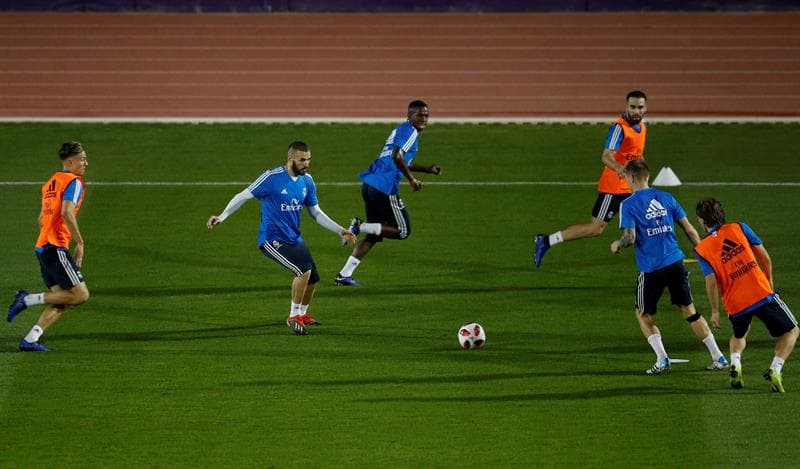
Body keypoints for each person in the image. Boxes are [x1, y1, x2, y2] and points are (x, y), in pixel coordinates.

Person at [207, 141, 356, 335]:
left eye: (309, 159)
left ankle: (303, 314)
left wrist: (339, 230)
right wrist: (222, 216)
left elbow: (316, 212)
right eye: (302, 160)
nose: (306, 163)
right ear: (290, 159)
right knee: (303, 271)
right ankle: (293, 316)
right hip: (271, 240)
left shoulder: (307, 181)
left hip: (294, 238)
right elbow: (243, 196)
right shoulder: (271, 177)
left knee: (313, 278)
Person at [610, 160, 727, 375]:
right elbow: (691, 230)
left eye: (626, 177)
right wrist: (708, 256)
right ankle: (718, 356)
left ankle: (662, 359)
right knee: (689, 311)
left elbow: (630, 236)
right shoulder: (666, 198)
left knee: (642, 313)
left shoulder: (628, 204)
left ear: (633, 178)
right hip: (675, 263)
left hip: (651, 269)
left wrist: (618, 244)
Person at [535, 90, 648, 268]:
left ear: (645, 108)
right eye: (632, 107)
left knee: (646, 222)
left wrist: (643, 174)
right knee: (595, 229)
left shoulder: (643, 126)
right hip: (614, 189)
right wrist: (619, 168)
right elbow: (606, 156)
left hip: (632, 187)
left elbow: (637, 154)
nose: (636, 111)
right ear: (626, 107)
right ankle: (547, 241)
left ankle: (660, 267)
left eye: (640, 107)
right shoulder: (619, 129)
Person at [695, 198, 798, 392]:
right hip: (761, 292)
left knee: (739, 334)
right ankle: (775, 369)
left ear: (702, 221)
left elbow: (710, 282)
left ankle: (735, 363)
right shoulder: (739, 228)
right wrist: (769, 282)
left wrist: (715, 311)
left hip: (735, 302)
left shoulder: (702, 249)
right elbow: (765, 257)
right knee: (793, 331)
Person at [334, 100, 441, 286]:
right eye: (419, 115)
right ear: (409, 116)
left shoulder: (400, 130)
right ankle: (360, 226)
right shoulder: (410, 131)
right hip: (384, 187)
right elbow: (397, 156)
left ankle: (344, 275)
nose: (424, 119)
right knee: (403, 231)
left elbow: (401, 160)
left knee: (375, 235)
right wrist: (411, 180)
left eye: (426, 115)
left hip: (370, 184)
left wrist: (426, 169)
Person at [8, 141, 91, 352]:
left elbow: (40, 219)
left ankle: (30, 339)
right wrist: (79, 242)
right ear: (70, 161)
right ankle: (27, 299)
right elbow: (66, 212)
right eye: (82, 159)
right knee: (81, 296)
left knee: (63, 298)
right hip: (55, 247)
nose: (86, 163)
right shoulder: (74, 181)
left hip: (43, 246)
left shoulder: (51, 182)